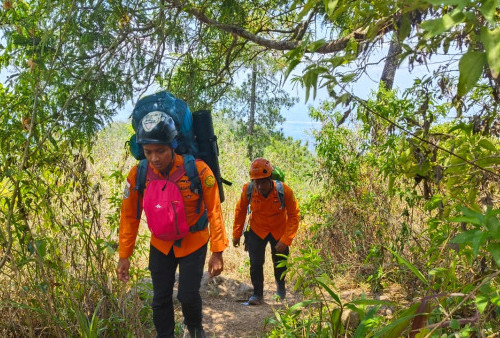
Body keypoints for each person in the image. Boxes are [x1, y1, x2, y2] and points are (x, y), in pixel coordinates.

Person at [117, 111, 228, 338]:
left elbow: (215, 210)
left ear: (173, 146)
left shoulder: (198, 170)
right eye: (148, 152)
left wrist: (217, 252)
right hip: (160, 244)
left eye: (161, 151)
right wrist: (124, 255)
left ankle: (196, 330)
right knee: (160, 299)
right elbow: (129, 216)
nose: (155, 158)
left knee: (187, 295)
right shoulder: (138, 174)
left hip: (193, 241)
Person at [232, 158, 300, 305]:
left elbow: (294, 215)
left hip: (279, 231)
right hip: (257, 230)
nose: (260, 186)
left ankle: (281, 290)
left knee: (280, 262)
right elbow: (240, 211)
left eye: (263, 182)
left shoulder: (284, 191)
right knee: (256, 263)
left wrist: (286, 239)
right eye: (257, 182)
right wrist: (236, 234)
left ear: (271, 179)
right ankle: (257, 295)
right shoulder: (248, 190)